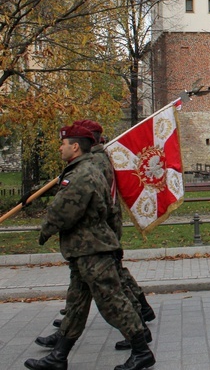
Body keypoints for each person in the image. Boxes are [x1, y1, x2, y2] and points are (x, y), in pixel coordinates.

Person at [24, 124, 155, 370]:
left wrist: (46, 228)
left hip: (92, 249)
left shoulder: (82, 174)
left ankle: (141, 350)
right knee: (76, 304)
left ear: (75, 147)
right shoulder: (85, 169)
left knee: (111, 302)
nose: (60, 147)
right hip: (83, 249)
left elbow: (65, 211)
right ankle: (58, 357)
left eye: (63, 144)